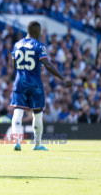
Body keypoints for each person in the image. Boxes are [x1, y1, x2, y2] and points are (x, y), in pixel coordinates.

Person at [10, 21, 72, 151]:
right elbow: (48, 65)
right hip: (35, 84)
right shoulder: (39, 46)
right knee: (37, 113)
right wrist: (63, 78)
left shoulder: (17, 45)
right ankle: (37, 144)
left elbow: (14, 66)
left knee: (18, 110)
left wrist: (25, 70)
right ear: (37, 32)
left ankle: (16, 142)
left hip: (19, 82)